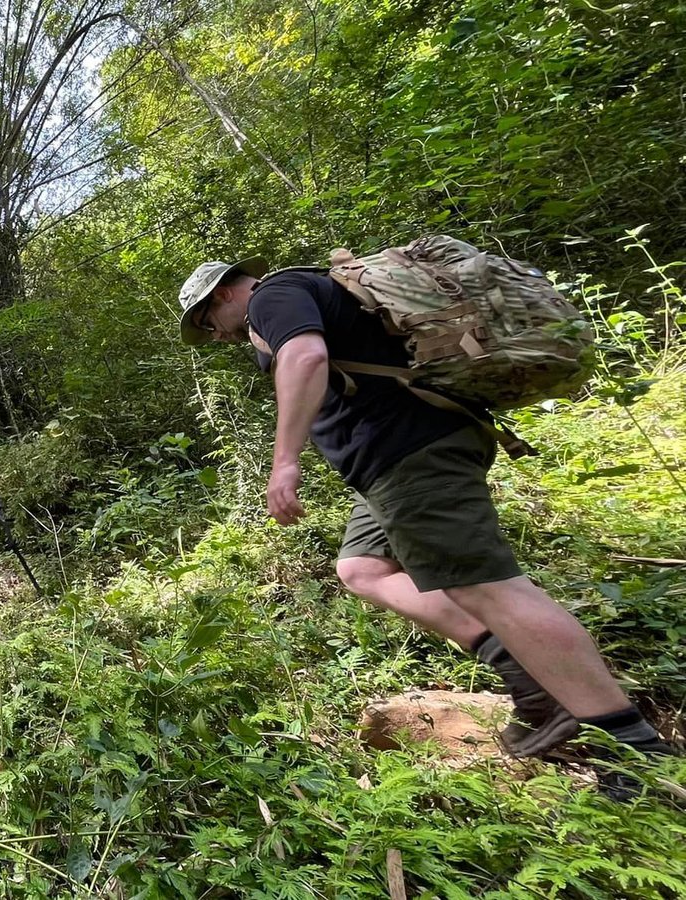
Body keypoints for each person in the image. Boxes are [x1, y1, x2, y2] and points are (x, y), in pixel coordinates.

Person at [177, 255, 676, 787]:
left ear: (224, 294)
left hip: (410, 451)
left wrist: (285, 462)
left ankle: (632, 750)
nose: (216, 335)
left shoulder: (272, 298)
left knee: (489, 587)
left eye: (208, 322)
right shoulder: (306, 291)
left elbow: (304, 357)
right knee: (361, 568)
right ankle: (526, 676)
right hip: (392, 463)